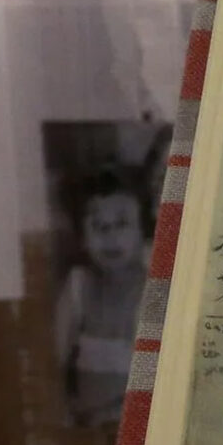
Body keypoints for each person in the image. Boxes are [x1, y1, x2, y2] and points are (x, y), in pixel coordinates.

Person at [54, 167, 150, 427]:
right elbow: (50, 366)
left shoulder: (156, 292)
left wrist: (106, 415)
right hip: (86, 431)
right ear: (82, 237)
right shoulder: (78, 286)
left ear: (143, 230)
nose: (110, 236)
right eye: (97, 225)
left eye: (122, 223)